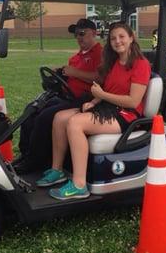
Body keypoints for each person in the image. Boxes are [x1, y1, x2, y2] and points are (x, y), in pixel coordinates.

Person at [36, 22, 151, 200]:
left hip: (126, 115)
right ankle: (57, 170)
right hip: (108, 107)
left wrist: (101, 95)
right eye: (113, 38)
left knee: (75, 123)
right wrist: (95, 100)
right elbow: (108, 88)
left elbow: (133, 101)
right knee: (60, 117)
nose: (117, 41)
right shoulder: (114, 62)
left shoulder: (140, 64)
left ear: (131, 38)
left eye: (121, 37)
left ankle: (79, 185)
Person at [16, 18, 103, 172]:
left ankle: (36, 161)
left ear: (94, 33)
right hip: (66, 95)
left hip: (85, 100)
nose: (79, 37)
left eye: (82, 33)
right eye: (76, 35)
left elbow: (100, 77)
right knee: (32, 110)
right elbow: (70, 74)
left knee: (45, 117)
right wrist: (60, 71)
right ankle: (26, 153)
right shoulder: (76, 57)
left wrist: (75, 72)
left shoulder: (100, 54)